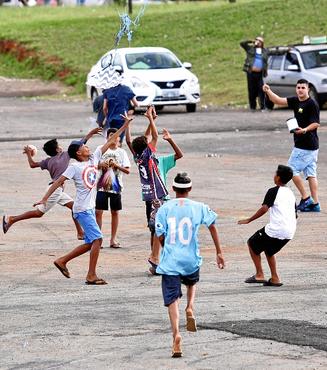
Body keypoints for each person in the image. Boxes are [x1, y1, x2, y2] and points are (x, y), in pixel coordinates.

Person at [33, 115, 132, 285]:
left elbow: (111, 141)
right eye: (85, 146)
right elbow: (57, 182)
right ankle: (90, 275)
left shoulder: (93, 159)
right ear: (79, 153)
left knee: (90, 242)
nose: (88, 147)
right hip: (82, 209)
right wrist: (44, 199)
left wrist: (125, 125)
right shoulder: (74, 166)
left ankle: (63, 261)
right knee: (98, 240)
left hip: (88, 209)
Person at [155, 172, 225, 358]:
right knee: (192, 282)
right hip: (190, 259)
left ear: (173, 189)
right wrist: (219, 251)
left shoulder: (164, 208)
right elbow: (212, 225)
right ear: (190, 189)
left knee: (172, 299)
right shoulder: (199, 207)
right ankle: (190, 307)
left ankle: (176, 335)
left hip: (171, 261)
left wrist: (166, 247)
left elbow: (160, 234)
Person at [2, 128, 101, 238]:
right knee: (38, 213)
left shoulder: (47, 161)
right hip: (55, 190)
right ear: (58, 150)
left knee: (75, 208)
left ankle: (80, 232)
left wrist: (29, 154)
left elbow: (32, 164)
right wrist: (91, 133)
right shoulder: (65, 155)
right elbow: (80, 144)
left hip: (57, 190)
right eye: (59, 146)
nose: (60, 147)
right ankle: (11, 219)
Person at [263, 79, 320, 212]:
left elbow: (316, 123)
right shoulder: (295, 101)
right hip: (310, 146)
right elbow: (278, 100)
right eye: (298, 87)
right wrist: (268, 90)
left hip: (305, 146)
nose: (300, 90)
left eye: (303, 88)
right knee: (311, 174)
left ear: (308, 89)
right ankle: (315, 204)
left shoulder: (312, 104)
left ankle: (306, 199)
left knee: (291, 170)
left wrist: (305, 130)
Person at [125, 105, 169, 272]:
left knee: (158, 225)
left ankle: (156, 258)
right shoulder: (147, 154)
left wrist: (129, 125)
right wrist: (150, 118)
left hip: (148, 195)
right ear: (147, 147)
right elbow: (154, 136)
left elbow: (133, 141)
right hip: (157, 194)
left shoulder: (138, 156)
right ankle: (155, 257)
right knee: (159, 225)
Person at [238, 165, 297, 287]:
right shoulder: (291, 193)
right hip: (290, 232)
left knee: (252, 243)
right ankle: (275, 278)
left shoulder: (273, 191)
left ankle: (259, 274)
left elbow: (264, 208)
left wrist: (249, 220)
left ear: (278, 177)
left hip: (276, 229)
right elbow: (295, 214)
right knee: (269, 251)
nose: (273, 176)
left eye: (275, 174)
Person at [95, 128, 131, 248]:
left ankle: (113, 239)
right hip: (101, 186)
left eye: (116, 136)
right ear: (107, 138)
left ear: (118, 139)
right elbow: (93, 165)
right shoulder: (101, 149)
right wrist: (101, 165)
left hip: (116, 186)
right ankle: (98, 238)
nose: (114, 138)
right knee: (98, 212)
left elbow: (127, 170)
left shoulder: (122, 152)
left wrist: (116, 166)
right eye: (111, 136)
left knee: (115, 212)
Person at [103, 72, 139, 141]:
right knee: (119, 140)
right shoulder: (126, 89)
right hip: (122, 119)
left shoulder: (107, 90)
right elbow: (136, 104)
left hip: (111, 119)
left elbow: (104, 108)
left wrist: (107, 117)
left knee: (112, 139)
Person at [240, 36, 268, 111]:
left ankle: (262, 107)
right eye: (257, 40)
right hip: (251, 73)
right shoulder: (250, 49)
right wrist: (251, 41)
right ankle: (253, 107)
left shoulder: (264, 51)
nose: (258, 42)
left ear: (262, 43)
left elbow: (276, 52)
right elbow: (242, 43)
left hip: (260, 74)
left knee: (261, 90)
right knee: (251, 90)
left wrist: (287, 49)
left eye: (260, 41)